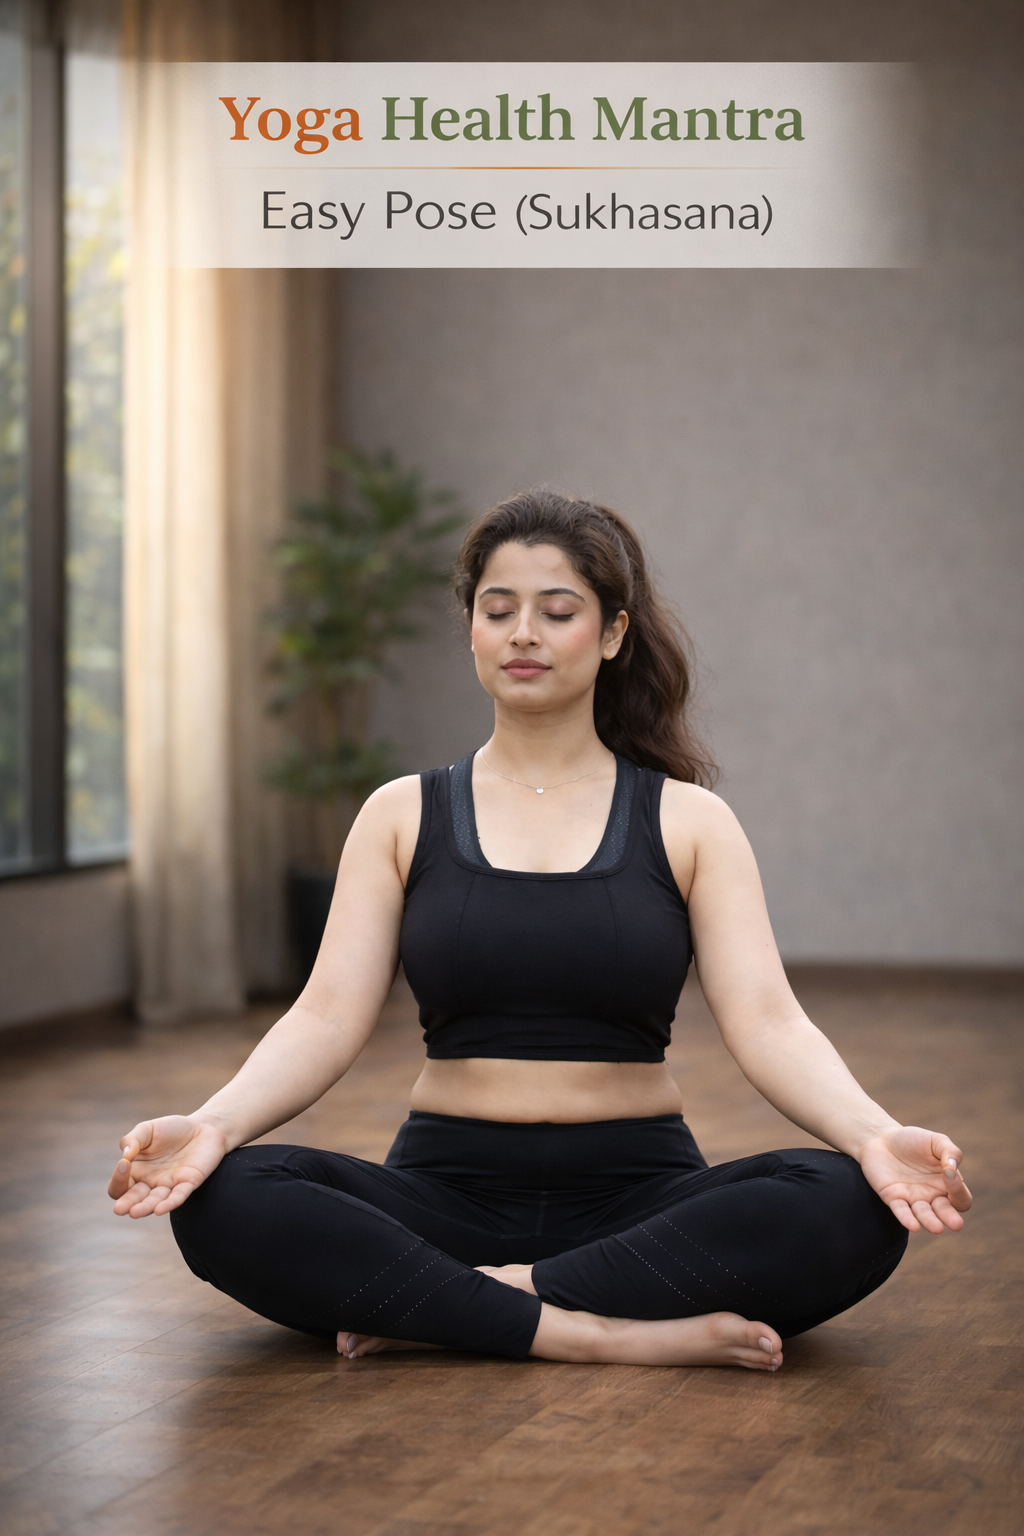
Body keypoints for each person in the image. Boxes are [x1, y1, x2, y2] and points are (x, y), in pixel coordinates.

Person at [108, 489, 971, 1371]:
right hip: (443, 1189)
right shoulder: (401, 814)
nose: (524, 632)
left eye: (558, 612)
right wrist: (213, 1126)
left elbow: (770, 1022)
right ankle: (596, 1332)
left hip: (639, 1192)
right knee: (229, 1196)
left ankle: (462, 1304)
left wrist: (871, 1137)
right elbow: (326, 1016)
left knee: (849, 1201)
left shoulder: (690, 821)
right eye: (498, 609)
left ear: (611, 634)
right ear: (472, 631)